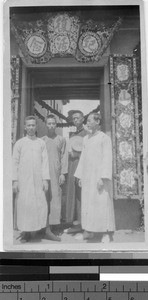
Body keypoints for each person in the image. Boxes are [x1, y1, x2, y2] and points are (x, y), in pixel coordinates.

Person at [12, 116, 60, 243]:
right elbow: (14, 163)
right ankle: (26, 232)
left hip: (38, 180)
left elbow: (45, 163)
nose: (31, 128)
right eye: (29, 125)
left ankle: (43, 230)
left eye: (33, 125)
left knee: (40, 204)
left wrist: (45, 180)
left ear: (36, 127)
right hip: (24, 180)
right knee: (25, 205)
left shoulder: (41, 143)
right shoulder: (20, 143)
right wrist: (15, 180)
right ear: (25, 127)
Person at [74, 113, 115, 242]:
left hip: (99, 178)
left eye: (90, 120)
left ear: (97, 122)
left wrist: (103, 177)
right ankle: (88, 231)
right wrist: (80, 176)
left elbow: (107, 158)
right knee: (88, 204)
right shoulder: (86, 138)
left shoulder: (104, 138)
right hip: (87, 177)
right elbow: (83, 158)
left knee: (101, 203)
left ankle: (105, 233)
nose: (87, 123)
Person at [42, 114, 68, 233]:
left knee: (56, 198)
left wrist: (63, 173)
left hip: (56, 173)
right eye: (49, 123)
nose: (51, 126)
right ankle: (44, 225)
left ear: (56, 125)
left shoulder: (61, 140)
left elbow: (64, 157)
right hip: (44, 173)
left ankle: (55, 226)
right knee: (44, 198)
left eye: (53, 123)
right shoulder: (41, 140)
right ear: (46, 124)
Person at [65, 110, 87, 234]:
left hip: (82, 166)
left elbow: (89, 152)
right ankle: (74, 222)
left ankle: (83, 222)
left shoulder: (86, 134)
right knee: (73, 192)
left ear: (83, 119)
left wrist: (77, 154)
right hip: (72, 165)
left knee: (81, 194)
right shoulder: (73, 135)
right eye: (73, 119)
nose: (76, 120)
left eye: (78, 118)